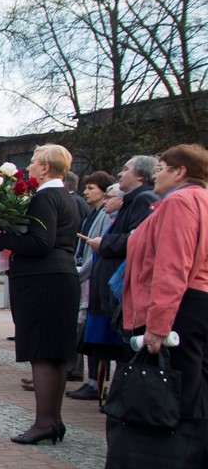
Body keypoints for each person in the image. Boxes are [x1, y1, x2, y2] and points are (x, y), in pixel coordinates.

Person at [119, 144, 208, 469]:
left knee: (179, 396)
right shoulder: (202, 200)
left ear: (181, 171)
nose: (157, 173)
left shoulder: (180, 203)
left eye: (162, 167)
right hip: (199, 303)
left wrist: (157, 326)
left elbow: (172, 266)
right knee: (196, 394)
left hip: (183, 305)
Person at [0, 144, 81, 445]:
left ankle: (44, 423)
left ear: (46, 168)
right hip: (60, 276)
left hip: (43, 280)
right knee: (55, 354)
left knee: (41, 354)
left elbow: (41, 243)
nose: (29, 167)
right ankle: (54, 421)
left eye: (34, 162)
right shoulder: (66, 197)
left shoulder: (45, 197)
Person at [80, 156, 160, 388]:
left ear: (140, 176)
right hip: (115, 285)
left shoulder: (144, 198)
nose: (120, 173)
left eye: (126, 169)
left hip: (126, 286)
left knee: (127, 350)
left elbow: (137, 240)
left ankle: (123, 393)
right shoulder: (134, 199)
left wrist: (104, 243)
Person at [65, 170, 116, 399]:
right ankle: (92, 379)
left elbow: (96, 249)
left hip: (91, 278)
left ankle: (97, 382)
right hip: (85, 275)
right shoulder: (93, 214)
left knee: (92, 330)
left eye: (91, 188)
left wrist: (80, 272)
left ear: (104, 193)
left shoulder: (105, 215)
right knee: (86, 330)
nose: (86, 192)